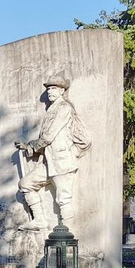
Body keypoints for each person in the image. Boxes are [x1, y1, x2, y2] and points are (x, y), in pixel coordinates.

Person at [15, 75, 91, 231]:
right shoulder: (52, 109)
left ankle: (68, 234)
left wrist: (31, 145)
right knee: (25, 184)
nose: (50, 91)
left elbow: (49, 136)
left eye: (54, 88)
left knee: (63, 199)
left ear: (62, 90)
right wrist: (28, 147)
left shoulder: (64, 108)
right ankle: (39, 221)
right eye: (48, 89)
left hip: (62, 161)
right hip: (49, 161)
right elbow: (46, 139)